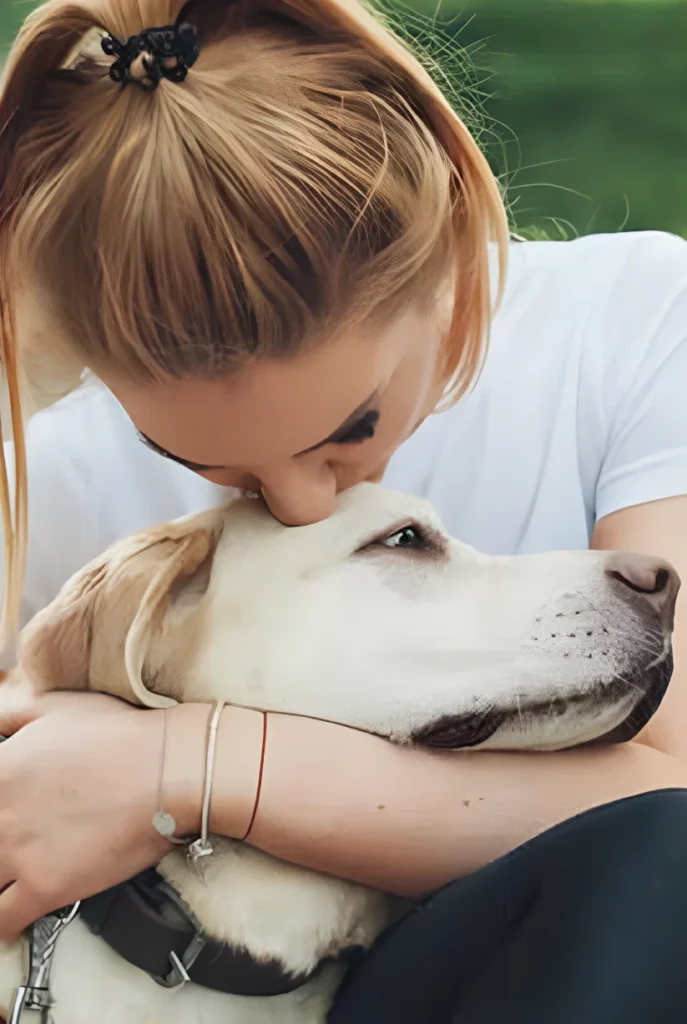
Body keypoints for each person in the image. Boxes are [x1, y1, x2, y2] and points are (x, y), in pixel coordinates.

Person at [0, 0, 686, 1020]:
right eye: (197, 457)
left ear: (449, 226)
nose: (303, 496)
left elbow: (665, 804)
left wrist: (187, 765)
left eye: (350, 424)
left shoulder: (633, 322)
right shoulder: (56, 467)